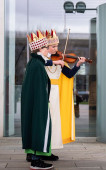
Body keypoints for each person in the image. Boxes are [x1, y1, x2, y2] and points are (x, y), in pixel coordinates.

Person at [30, 29, 85, 160]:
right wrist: (55, 62)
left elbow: (70, 74)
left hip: (55, 95)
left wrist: (77, 64)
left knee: (53, 122)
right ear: (45, 48)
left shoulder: (61, 61)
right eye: (53, 46)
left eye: (57, 46)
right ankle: (35, 152)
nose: (56, 49)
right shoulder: (41, 60)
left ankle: (47, 151)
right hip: (44, 91)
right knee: (42, 122)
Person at [21, 30, 64, 169]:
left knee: (35, 127)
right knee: (39, 128)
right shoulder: (37, 65)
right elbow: (39, 88)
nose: (49, 50)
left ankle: (35, 157)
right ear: (40, 49)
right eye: (46, 48)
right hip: (38, 103)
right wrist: (43, 104)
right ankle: (36, 161)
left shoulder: (35, 62)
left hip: (35, 102)